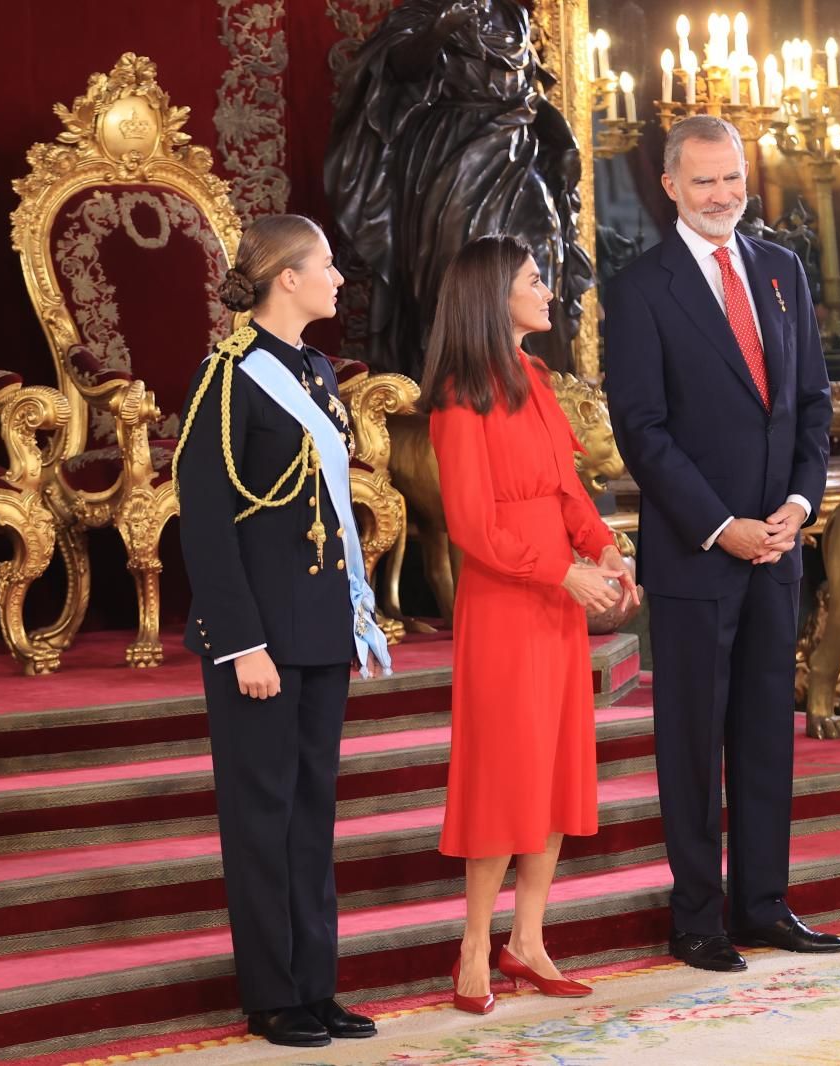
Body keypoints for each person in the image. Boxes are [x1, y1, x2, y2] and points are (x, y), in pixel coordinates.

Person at [603, 115, 840, 973]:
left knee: (765, 736)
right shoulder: (638, 290)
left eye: (732, 178)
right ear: (670, 186)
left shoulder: (781, 271)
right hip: (697, 556)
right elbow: (642, 430)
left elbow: (812, 405)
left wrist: (796, 504)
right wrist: (720, 525)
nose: (722, 196)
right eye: (703, 181)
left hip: (779, 547)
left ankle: (765, 904)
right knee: (694, 745)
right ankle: (696, 917)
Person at [175, 214, 394, 1048]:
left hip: (318, 627)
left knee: (312, 813)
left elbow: (327, 514)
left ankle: (316, 985)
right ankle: (272, 994)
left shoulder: (315, 372)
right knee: (261, 816)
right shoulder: (226, 377)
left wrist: (352, 619)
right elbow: (207, 521)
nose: (338, 279)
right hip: (258, 638)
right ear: (286, 278)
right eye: (327, 266)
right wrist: (241, 642)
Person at [424, 234, 637, 1013]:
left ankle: (530, 941)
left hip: (558, 597)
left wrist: (608, 549)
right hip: (509, 601)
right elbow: (473, 527)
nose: (547, 291)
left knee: (551, 769)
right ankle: (475, 945)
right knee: (503, 774)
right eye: (532, 280)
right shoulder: (458, 395)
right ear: (491, 296)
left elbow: (567, 489)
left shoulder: (538, 378)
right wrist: (563, 570)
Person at [325, 0, 594, 376]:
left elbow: (529, 95)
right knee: (459, 264)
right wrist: (440, 29)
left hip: (517, 153)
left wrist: (564, 142)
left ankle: (543, 381)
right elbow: (397, 71)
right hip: (452, 154)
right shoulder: (420, 13)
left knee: (545, 253)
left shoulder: (513, 14)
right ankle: (463, 383)